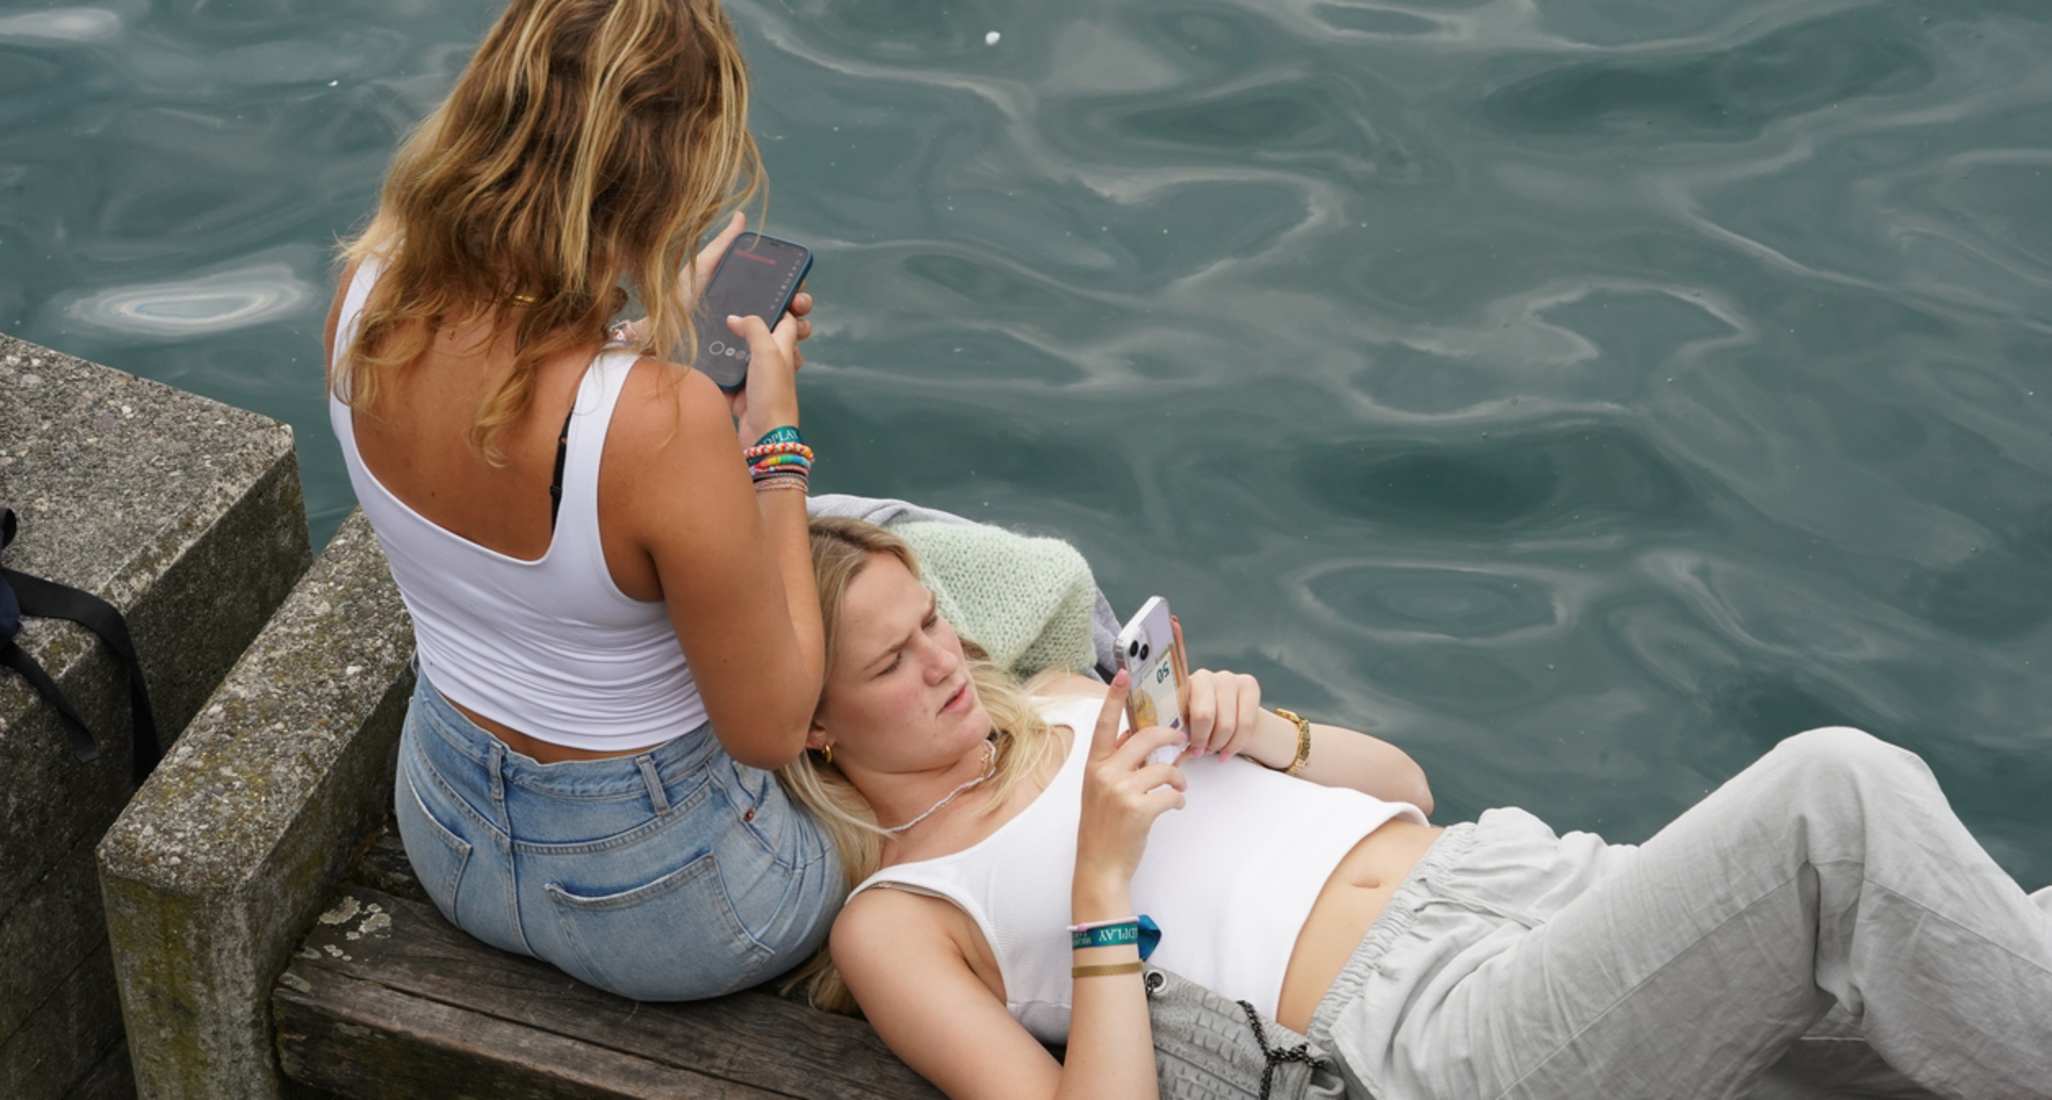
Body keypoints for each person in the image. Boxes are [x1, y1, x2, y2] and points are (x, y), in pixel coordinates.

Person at [779, 517, 2052, 1099]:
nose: (949, 662)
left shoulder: (1063, 691)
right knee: (1836, 802)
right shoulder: (897, 916)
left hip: (1525, 885)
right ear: (817, 723)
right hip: (1426, 1034)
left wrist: (1266, 732)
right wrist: (1102, 881)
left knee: (1979, 937)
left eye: (936, 620)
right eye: (894, 661)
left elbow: (1408, 789)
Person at [322, 0, 839, 1001]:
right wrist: (774, 437)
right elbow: (773, 728)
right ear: (663, 177)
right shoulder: (667, 424)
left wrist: (643, 339)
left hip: (449, 832)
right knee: (914, 650)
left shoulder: (365, 291)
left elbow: (520, 411)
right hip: (680, 904)